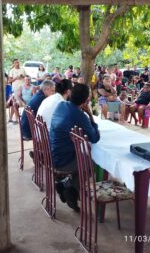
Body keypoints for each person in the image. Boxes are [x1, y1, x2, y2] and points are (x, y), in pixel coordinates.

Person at [50, 83, 100, 211]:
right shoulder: (79, 115)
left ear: (70, 93)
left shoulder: (61, 105)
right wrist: (89, 115)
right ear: (86, 100)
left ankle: (67, 186)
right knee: (90, 164)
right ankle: (70, 188)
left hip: (51, 153)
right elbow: (94, 138)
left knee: (83, 158)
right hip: (62, 160)